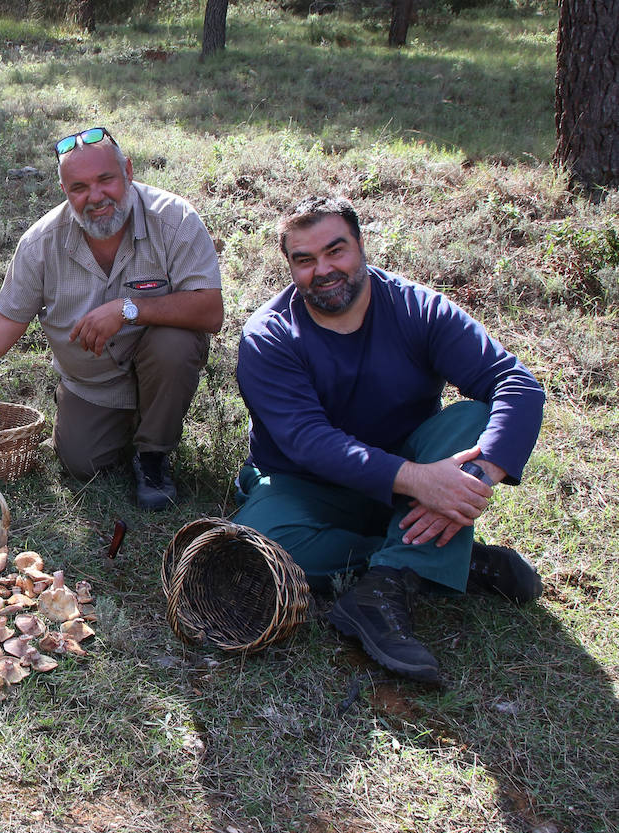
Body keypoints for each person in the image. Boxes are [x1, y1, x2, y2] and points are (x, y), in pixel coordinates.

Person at [233, 196, 546, 683]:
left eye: (336, 251)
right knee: (264, 548)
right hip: (308, 485)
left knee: (473, 419)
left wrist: (478, 474)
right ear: (290, 268)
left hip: (411, 472)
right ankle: (440, 560)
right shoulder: (269, 337)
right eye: (305, 260)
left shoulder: (418, 310)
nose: (324, 270)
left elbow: (516, 383)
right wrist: (418, 481)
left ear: (361, 246)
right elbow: (309, 441)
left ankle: (383, 590)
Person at [0, 127, 223, 509]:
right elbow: (6, 318)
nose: (95, 197)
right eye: (79, 187)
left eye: (106, 180)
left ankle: (154, 456)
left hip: (160, 361)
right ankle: (122, 421)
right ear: (64, 190)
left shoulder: (174, 219)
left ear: (128, 172)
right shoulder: (41, 242)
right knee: (83, 463)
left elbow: (211, 309)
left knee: (175, 344)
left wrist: (128, 308)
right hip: (93, 382)